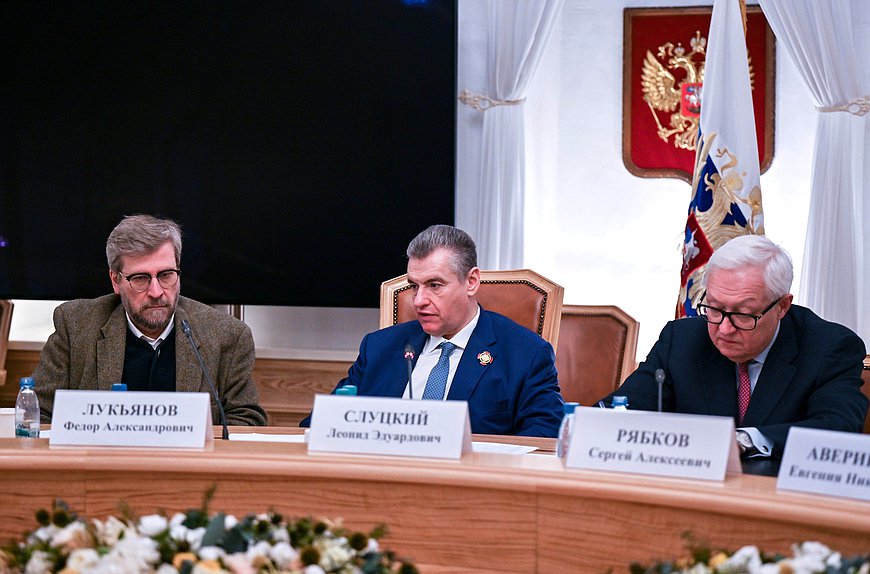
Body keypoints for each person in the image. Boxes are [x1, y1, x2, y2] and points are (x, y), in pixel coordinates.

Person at [602, 234, 868, 458]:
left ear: (782, 306)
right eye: (715, 309)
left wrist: (745, 441)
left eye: (744, 314)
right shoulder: (681, 340)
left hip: (779, 502)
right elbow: (625, 408)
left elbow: (837, 428)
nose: (725, 329)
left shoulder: (830, 347)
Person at [302, 224, 564, 437]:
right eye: (414, 286)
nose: (418, 300)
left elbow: (543, 439)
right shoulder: (379, 347)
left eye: (435, 285)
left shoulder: (525, 354)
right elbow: (318, 425)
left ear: (471, 281)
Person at [33, 214, 267, 426]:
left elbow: (247, 421)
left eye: (166, 275)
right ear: (116, 280)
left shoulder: (227, 335)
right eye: (141, 278)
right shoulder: (75, 325)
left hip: (187, 470)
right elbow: (36, 413)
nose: (156, 291)